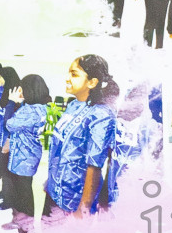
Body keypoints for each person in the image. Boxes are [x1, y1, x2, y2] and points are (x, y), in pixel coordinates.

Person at [44, 56, 118, 217]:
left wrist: (82, 209)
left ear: (92, 82)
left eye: (74, 74)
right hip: (55, 190)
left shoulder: (101, 114)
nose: (67, 78)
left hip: (74, 199)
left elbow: (94, 165)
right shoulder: (73, 105)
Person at [2, 74, 50, 233]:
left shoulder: (31, 110)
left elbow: (9, 124)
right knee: (21, 193)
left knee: (24, 196)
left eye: (22, 89)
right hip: (27, 155)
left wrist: (11, 102)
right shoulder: (40, 107)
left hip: (24, 157)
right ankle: (21, 224)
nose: (20, 92)